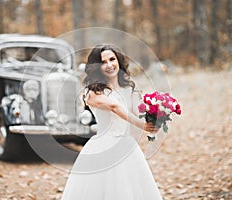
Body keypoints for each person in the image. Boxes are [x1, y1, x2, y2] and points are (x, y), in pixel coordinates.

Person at [61, 44, 163, 200]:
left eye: (112, 59)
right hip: (102, 146)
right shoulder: (93, 92)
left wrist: (154, 116)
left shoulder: (130, 88)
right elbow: (115, 107)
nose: (109, 65)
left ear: (118, 61)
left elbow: (139, 110)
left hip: (127, 147)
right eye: (103, 62)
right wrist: (141, 125)